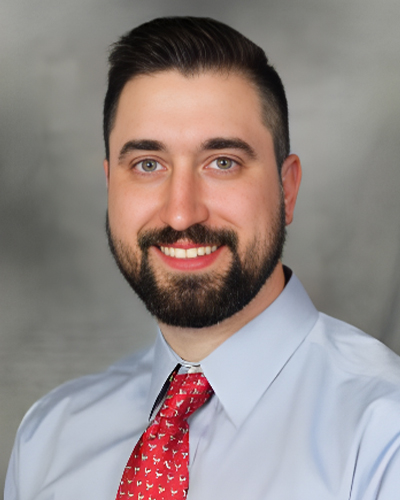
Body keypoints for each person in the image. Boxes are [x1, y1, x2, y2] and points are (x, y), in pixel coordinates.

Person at [5, 16, 400, 500]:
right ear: (110, 185)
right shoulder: (50, 437)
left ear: (287, 188)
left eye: (223, 163)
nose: (180, 212)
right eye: (148, 165)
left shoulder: (383, 435)